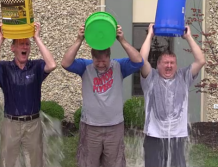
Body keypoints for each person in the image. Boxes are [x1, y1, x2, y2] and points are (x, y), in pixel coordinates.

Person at [61, 24, 144, 167]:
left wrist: (122, 40)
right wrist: (79, 40)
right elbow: (65, 63)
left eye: (104, 61)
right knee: (88, 163)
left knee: (115, 163)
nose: (100, 64)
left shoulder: (119, 66)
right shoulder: (85, 67)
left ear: (109, 58)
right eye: (97, 61)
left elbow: (138, 61)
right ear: (92, 58)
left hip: (114, 126)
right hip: (90, 126)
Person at [0, 22, 56, 167]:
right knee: (7, 162)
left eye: (27, 44)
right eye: (21, 44)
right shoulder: (5, 68)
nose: (25, 47)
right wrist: (0, 39)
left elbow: (52, 65)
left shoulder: (36, 66)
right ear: (13, 48)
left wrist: (37, 38)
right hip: (11, 123)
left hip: (33, 123)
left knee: (35, 162)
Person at [140, 23, 206, 167]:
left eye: (172, 63)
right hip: (154, 136)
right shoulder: (151, 77)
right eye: (165, 63)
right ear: (158, 65)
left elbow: (201, 60)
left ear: (176, 65)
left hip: (178, 136)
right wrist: (149, 36)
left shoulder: (183, 77)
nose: (169, 66)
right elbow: (141, 61)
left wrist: (188, 37)